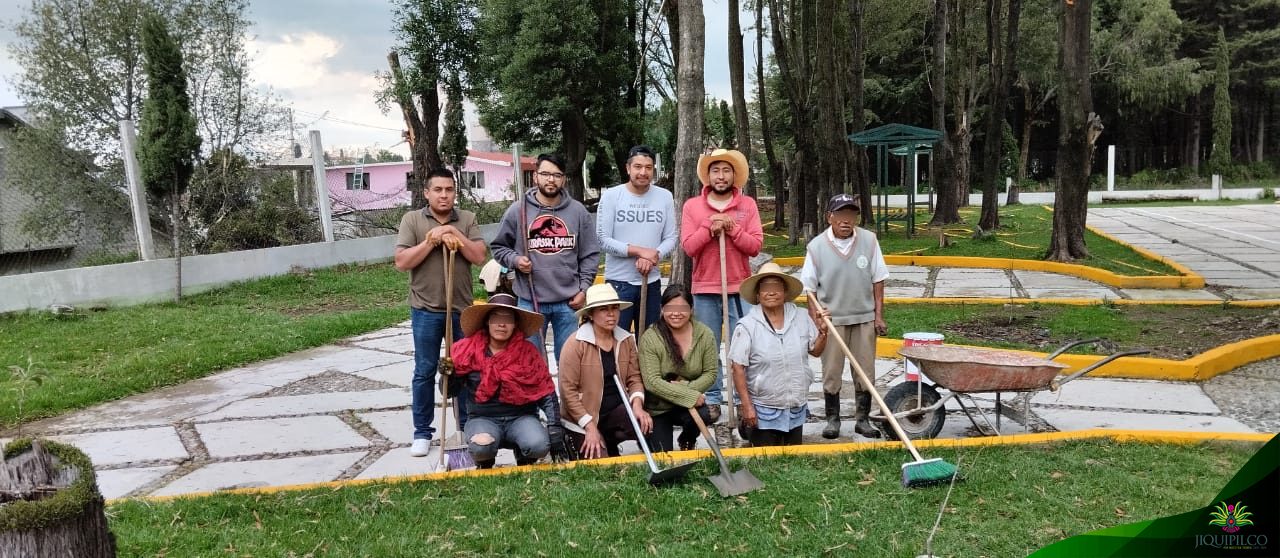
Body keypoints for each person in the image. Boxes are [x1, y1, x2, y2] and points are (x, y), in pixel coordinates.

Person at [394, 168, 488, 457]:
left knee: (467, 370)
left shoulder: (468, 219)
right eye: (438, 190)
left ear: (455, 192)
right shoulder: (412, 220)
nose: (444, 195)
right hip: (426, 308)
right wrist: (432, 240)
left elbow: (478, 256)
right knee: (424, 370)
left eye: (449, 189)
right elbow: (402, 261)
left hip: (462, 310)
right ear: (426, 193)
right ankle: (422, 432)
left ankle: (469, 426)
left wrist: (453, 233)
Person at [491, 153, 600, 364]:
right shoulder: (518, 211)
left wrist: (584, 288)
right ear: (535, 177)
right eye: (546, 174)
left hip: (568, 302)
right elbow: (498, 247)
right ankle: (540, 399)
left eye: (557, 175)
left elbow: (590, 254)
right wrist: (515, 260)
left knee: (569, 363)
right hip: (530, 302)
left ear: (564, 179)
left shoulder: (578, 212)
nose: (551, 180)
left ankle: (565, 399)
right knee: (531, 363)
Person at [679, 148, 764, 418]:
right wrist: (708, 228)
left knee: (743, 346)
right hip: (705, 288)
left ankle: (742, 399)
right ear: (707, 175)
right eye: (715, 170)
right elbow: (689, 247)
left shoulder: (747, 205)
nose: (721, 175)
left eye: (726, 170)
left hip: (740, 287)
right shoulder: (692, 206)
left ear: (734, 175)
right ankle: (713, 398)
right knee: (709, 347)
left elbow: (755, 245)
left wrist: (732, 229)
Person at [800, 194, 889, 440]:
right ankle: (833, 419)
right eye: (840, 215)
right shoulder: (816, 247)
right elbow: (809, 289)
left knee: (865, 372)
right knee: (831, 372)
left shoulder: (869, 241)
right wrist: (817, 321)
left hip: (863, 318)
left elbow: (878, 280)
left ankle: (862, 420)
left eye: (851, 215)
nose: (845, 220)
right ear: (830, 217)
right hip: (832, 320)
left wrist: (878, 316)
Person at [450, 294, 568, 468]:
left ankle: (524, 456)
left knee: (538, 445)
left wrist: (555, 428)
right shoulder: (467, 351)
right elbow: (450, 392)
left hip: (521, 417)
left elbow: (546, 392)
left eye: (508, 319)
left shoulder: (528, 352)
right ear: (487, 322)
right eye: (496, 318)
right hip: (483, 418)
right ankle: (485, 462)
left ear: (515, 325)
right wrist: (449, 374)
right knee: (481, 448)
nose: (502, 324)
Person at [730, 263, 828, 446]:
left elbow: (815, 351)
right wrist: (747, 406)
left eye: (776, 288)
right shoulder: (747, 326)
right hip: (762, 408)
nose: (771, 292)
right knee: (765, 463)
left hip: (795, 406)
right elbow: (737, 368)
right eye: (766, 289)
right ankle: (746, 428)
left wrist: (823, 333)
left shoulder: (801, 316)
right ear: (758, 295)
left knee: (793, 464)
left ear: (784, 292)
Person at [557, 283, 653, 459]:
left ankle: (609, 439)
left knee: (643, 423)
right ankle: (574, 439)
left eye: (615, 308)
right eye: (603, 309)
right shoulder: (575, 344)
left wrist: (637, 407)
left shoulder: (626, 340)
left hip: (614, 410)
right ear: (591, 315)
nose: (611, 314)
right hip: (582, 416)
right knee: (599, 461)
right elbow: (567, 391)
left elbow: (634, 378)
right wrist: (590, 427)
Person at [596, 145, 677, 334]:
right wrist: (639, 251)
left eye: (648, 168)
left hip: (651, 282)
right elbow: (602, 239)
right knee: (615, 339)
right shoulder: (611, 197)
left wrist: (653, 255)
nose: (643, 172)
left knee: (649, 341)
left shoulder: (664, 197)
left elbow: (671, 237)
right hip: (618, 284)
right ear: (628, 168)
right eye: (638, 167)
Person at [637, 284, 719, 452]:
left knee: (704, 414)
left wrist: (684, 389)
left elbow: (710, 373)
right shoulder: (651, 338)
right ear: (661, 309)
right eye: (670, 308)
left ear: (691, 309)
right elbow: (652, 382)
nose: (676, 313)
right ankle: (646, 437)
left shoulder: (705, 335)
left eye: (682, 308)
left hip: (686, 407)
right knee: (662, 455)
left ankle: (687, 439)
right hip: (658, 407)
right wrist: (689, 394)